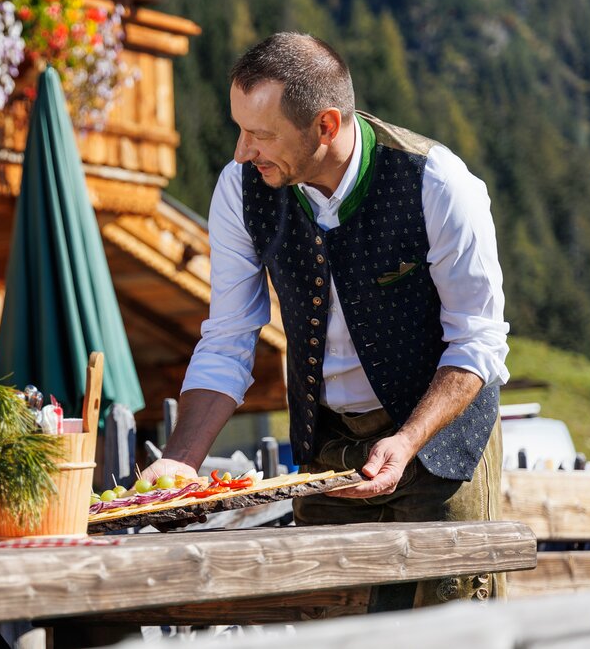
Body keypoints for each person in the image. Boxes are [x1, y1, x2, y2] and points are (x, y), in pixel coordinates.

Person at [143, 32, 509, 607]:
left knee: (448, 629)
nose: (243, 151)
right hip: (326, 456)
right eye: (239, 129)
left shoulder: (438, 182)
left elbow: (479, 342)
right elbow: (229, 338)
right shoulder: (239, 191)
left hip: (438, 451)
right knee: (334, 628)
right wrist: (179, 463)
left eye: (261, 135)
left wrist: (409, 439)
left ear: (327, 125)